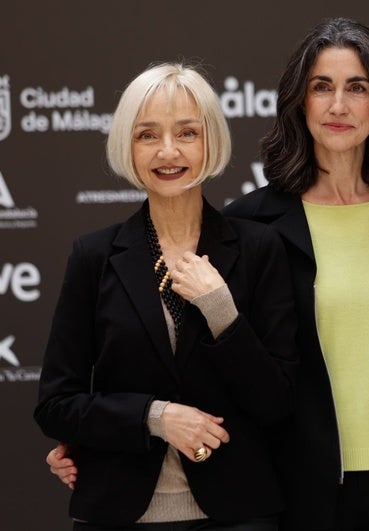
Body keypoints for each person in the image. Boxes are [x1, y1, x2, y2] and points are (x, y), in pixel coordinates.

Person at [34, 62, 298, 530]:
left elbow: (277, 402)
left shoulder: (259, 249)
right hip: (118, 513)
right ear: (127, 146)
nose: (168, 151)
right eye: (147, 135)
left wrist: (222, 310)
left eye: (187, 133)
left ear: (210, 140)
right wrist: (156, 417)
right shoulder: (93, 256)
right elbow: (57, 405)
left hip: (238, 513)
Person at [222, 17, 369, 531]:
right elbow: (231, 362)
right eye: (321, 87)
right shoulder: (250, 222)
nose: (338, 106)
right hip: (305, 489)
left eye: (357, 88)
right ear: (298, 103)